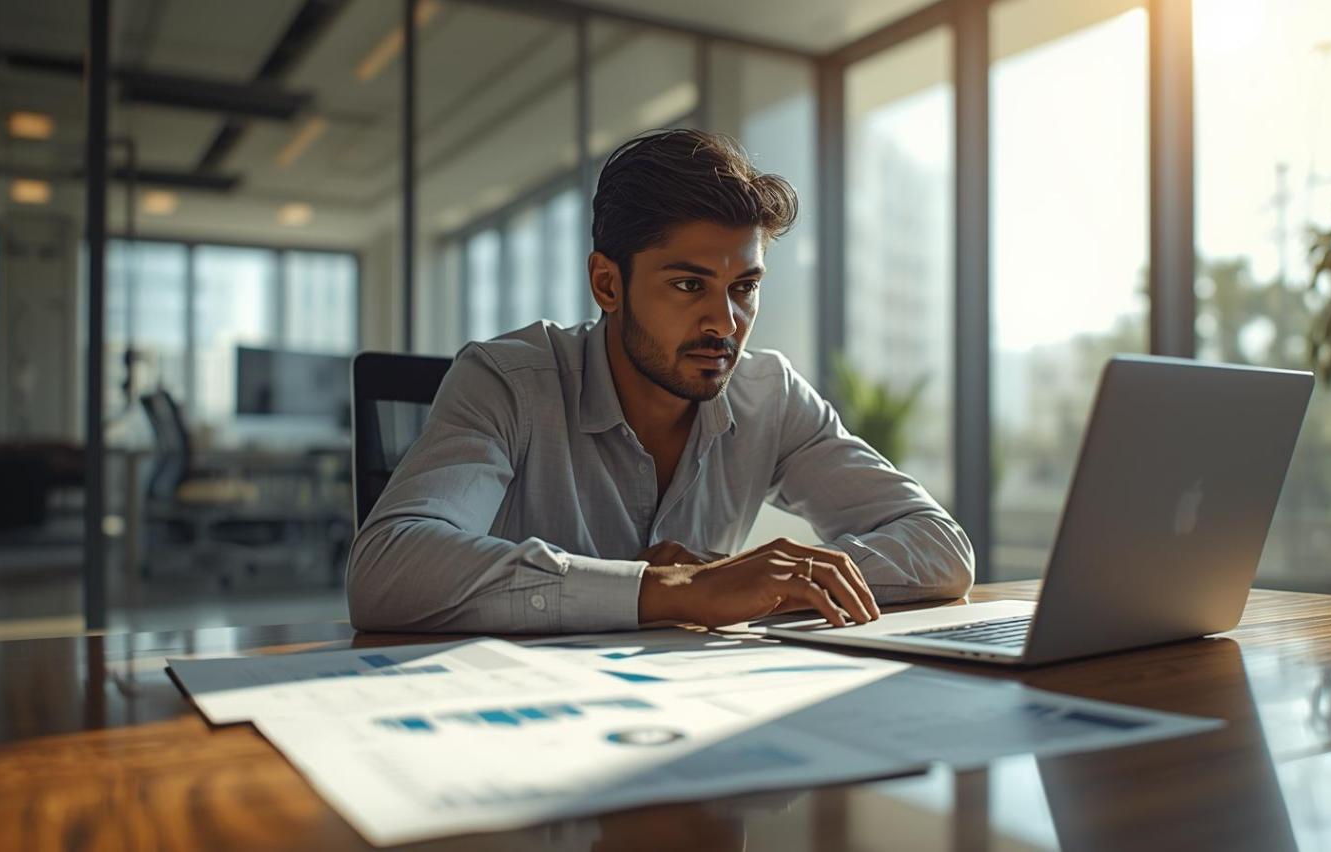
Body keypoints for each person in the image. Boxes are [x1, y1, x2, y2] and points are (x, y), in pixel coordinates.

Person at [348, 129, 973, 634]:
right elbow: (388, 569)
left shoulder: (769, 396)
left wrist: (742, 578)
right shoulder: (507, 381)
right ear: (607, 285)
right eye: (688, 285)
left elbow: (942, 548)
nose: (724, 323)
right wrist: (675, 590)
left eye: (744, 288)